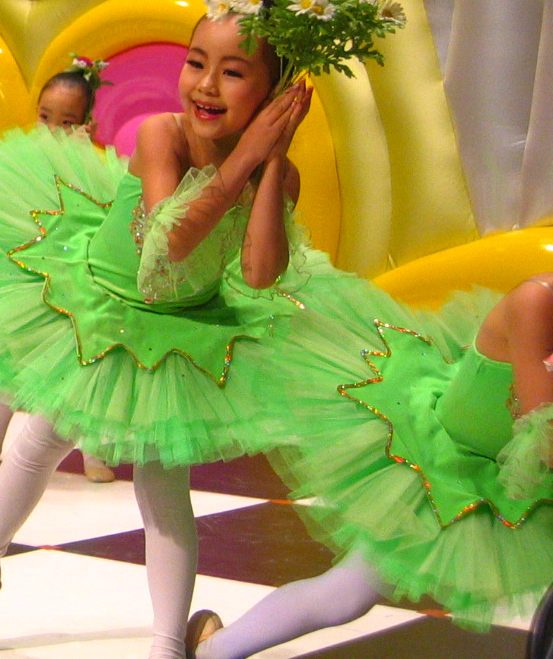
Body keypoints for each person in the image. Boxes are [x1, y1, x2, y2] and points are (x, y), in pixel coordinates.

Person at [0, 0, 409, 657]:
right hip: (104, 305)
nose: (205, 85)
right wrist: (245, 159)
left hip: (183, 326)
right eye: (195, 62)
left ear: (277, 93)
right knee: (39, 437)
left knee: (162, 481)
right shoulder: (162, 135)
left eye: (233, 72)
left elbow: (262, 274)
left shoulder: (277, 172)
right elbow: (171, 241)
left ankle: (165, 645)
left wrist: (272, 159)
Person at [189, 275, 553, 655]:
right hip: (442, 465)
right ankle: (212, 651)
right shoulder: (537, 301)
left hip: (509, 473)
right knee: (347, 594)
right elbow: (545, 438)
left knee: (347, 592)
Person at [0, 56, 116, 484]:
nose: (51, 129)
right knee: (10, 360)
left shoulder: (95, 167)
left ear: (87, 125)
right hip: (27, 278)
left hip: (76, 280)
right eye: (44, 117)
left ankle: (93, 452)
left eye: (67, 122)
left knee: (85, 366)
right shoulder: (19, 162)